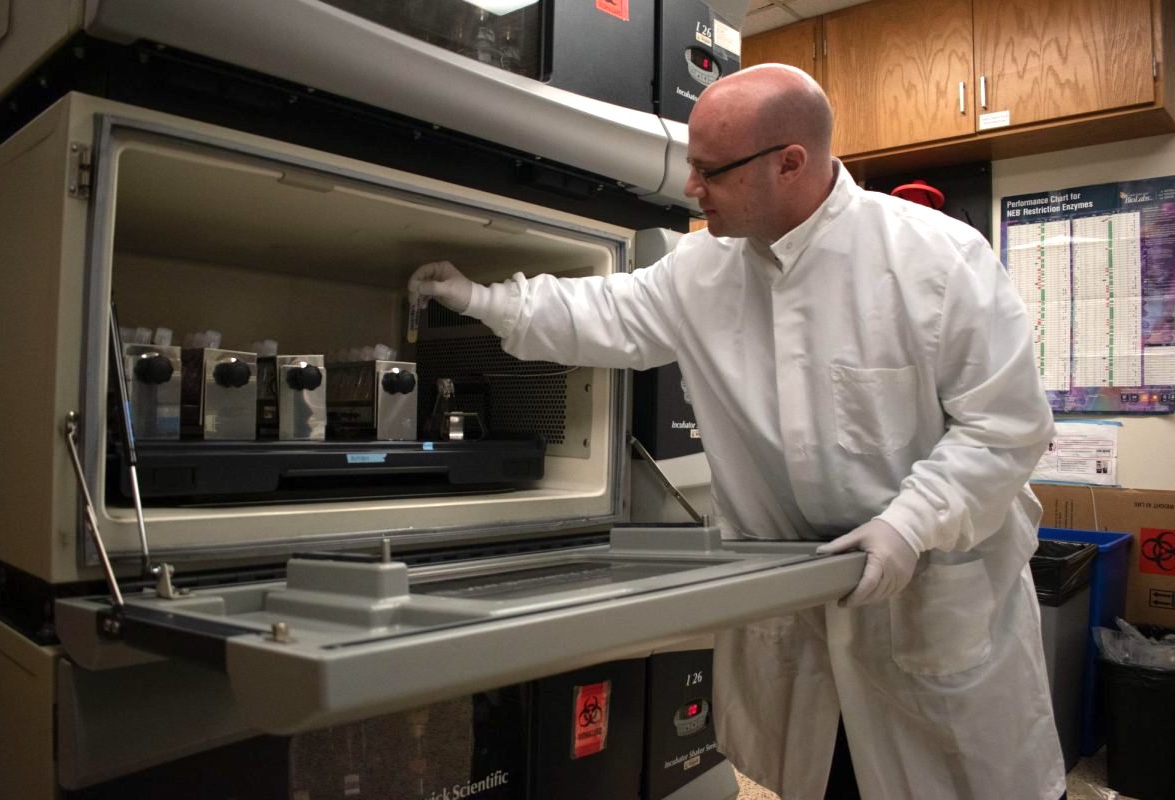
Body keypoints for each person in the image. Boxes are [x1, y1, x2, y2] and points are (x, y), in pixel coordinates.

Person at [408, 64, 1065, 800]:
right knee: (825, 778)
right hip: (800, 612)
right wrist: (481, 300)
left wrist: (910, 526)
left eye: (710, 171)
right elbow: (604, 314)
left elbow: (1005, 428)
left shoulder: (934, 260)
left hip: (929, 606)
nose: (692, 189)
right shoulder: (703, 268)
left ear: (791, 162)